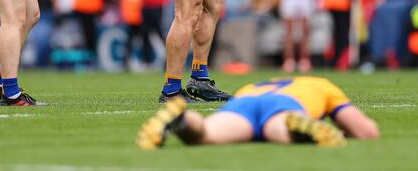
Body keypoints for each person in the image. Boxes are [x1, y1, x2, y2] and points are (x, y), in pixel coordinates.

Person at [136, 76, 380, 149]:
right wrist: (343, 133)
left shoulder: (255, 84)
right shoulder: (322, 84)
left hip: (245, 99)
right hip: (286, 103)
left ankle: (183, 119)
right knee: (279, 127)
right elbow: (367, 131)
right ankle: (299, 128)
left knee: (205, 134)